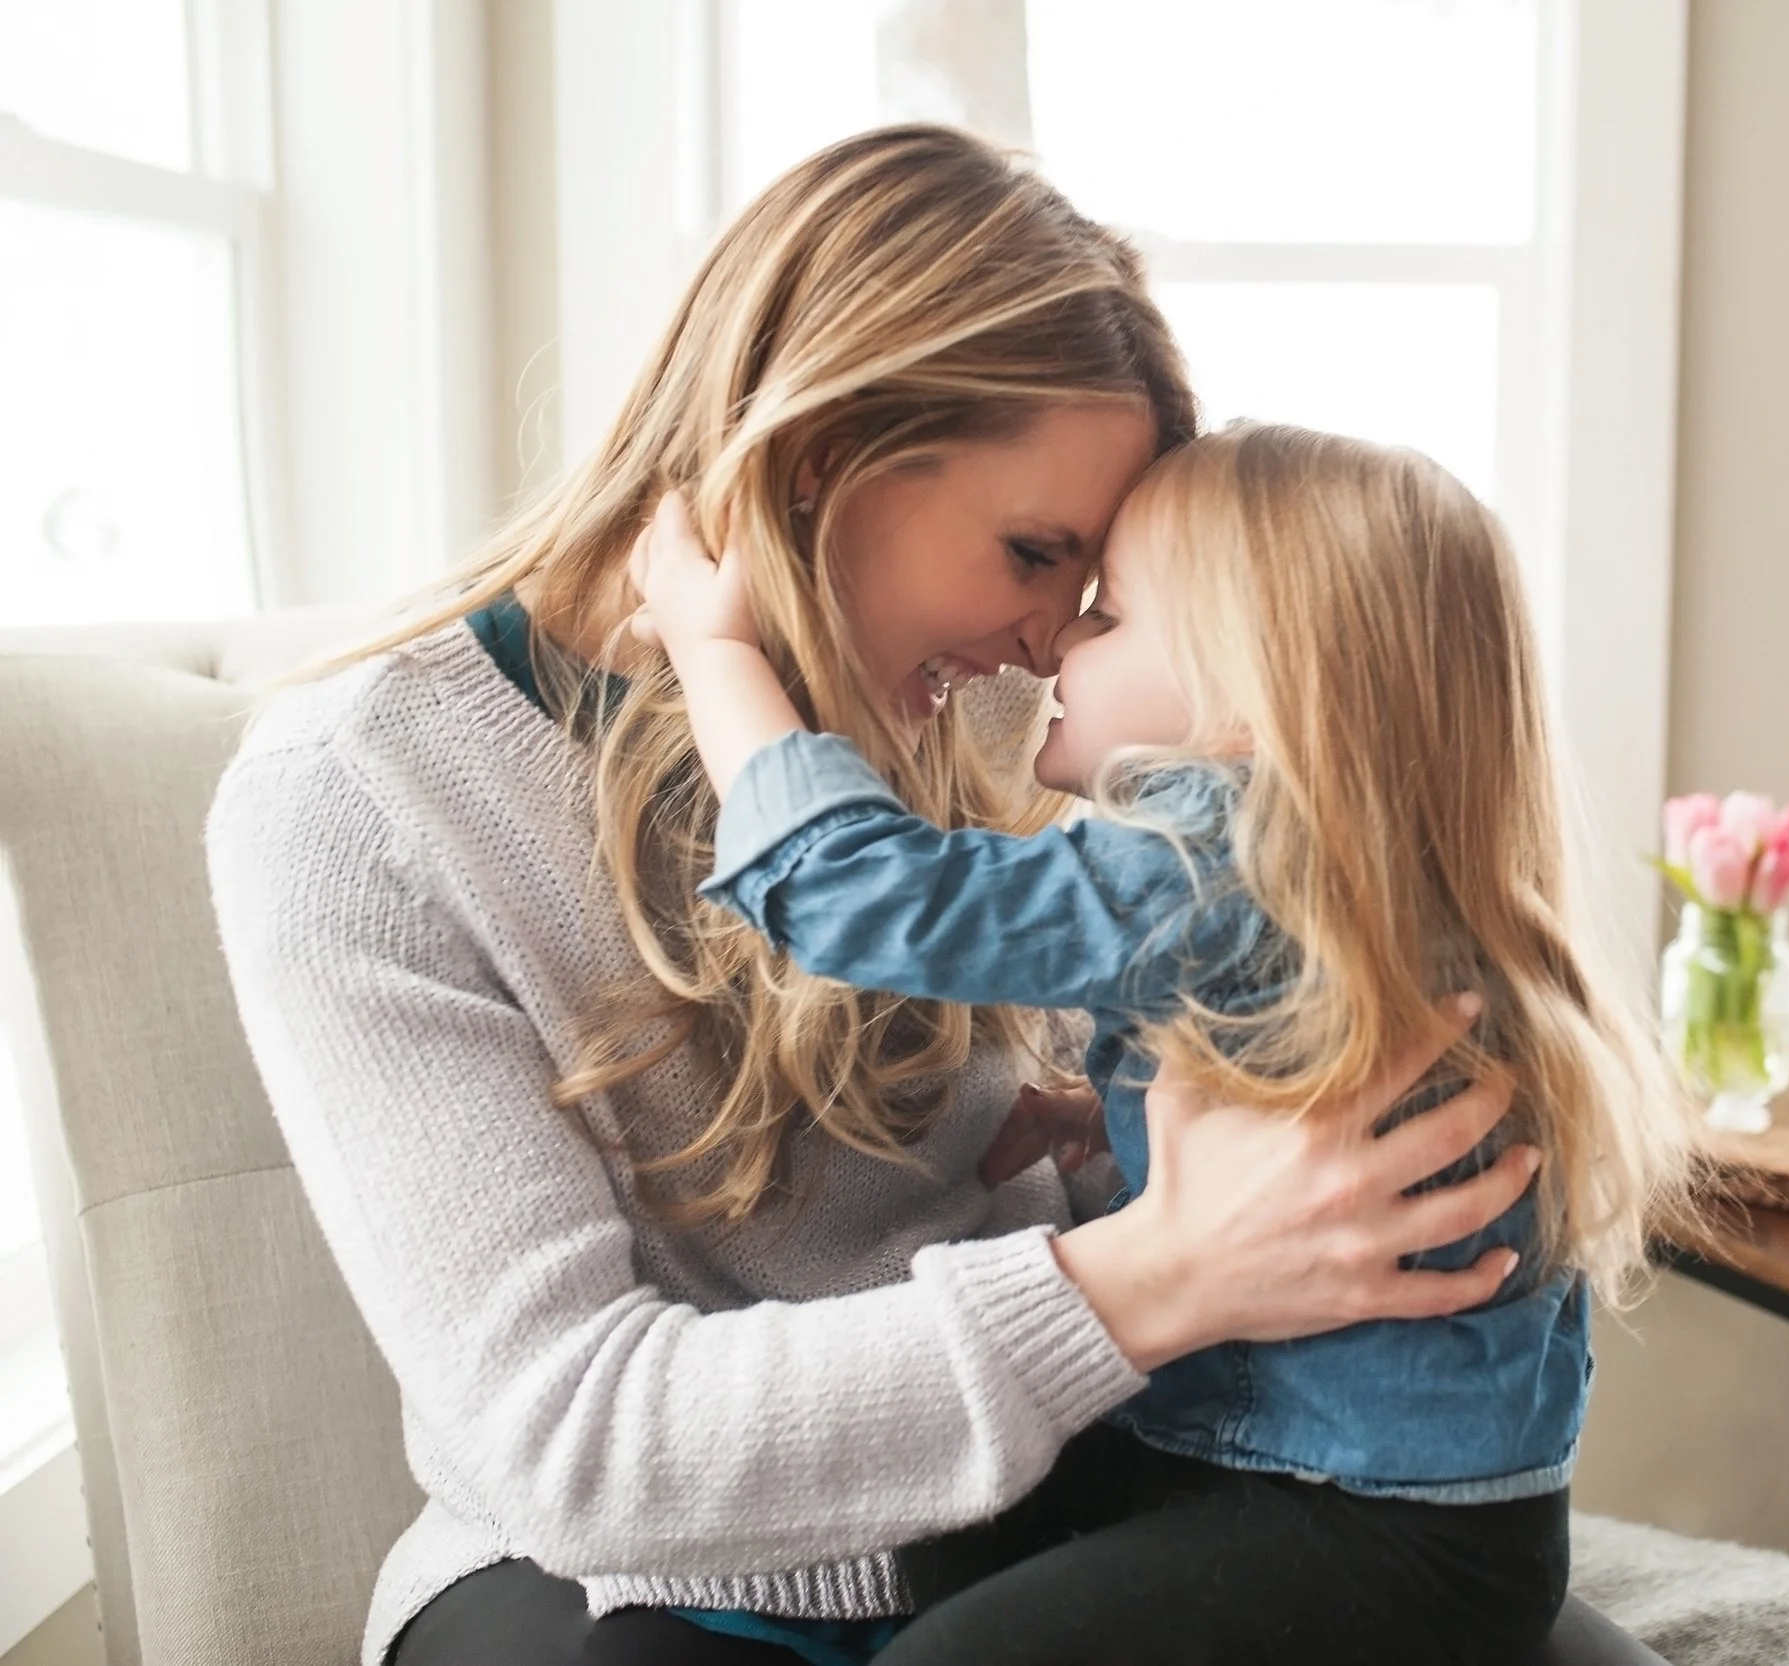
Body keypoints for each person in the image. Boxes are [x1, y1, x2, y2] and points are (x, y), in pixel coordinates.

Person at [202, 125, 1660, 1666]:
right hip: (645, 1571)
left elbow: (1129, 1093)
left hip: (1075, 1476)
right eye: (1035, 555)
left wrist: (1189, 1152)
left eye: (1093, 589)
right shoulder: (355, 801)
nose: (1049, 647)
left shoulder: (987, 702)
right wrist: (1155, 1270)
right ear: (825, 451)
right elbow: (579, 1446)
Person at [626, 421, 1695, 1665]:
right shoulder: (1359, 873)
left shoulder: (1212, 844)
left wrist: (715, 650)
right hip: (1419, 1511)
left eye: (1111, 613)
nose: (1058, 638)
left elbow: (864, 898)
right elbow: (1314, 1069)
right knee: (953, 1525)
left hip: (1362, 1527)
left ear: (1254, 700)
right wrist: (1104, 1112)